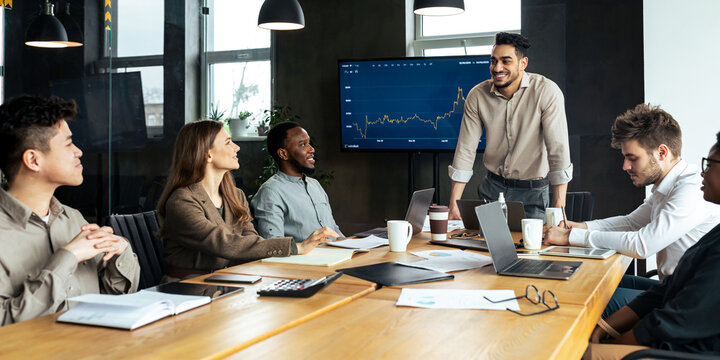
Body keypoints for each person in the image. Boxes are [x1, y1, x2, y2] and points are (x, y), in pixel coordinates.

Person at [545, 104, 720, 317]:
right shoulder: (666, 185)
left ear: (661, 152)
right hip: (669, 288)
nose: (625, 166)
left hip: (683, 301)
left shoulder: (690, 188)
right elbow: (631, 222)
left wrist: (572, 236)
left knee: (581, 297)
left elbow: (642, 245)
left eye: (632, 158)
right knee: (587, 280)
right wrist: (580, 226)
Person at [0, 95, 140, 326]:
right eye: (68, 144)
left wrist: (119, 253)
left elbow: (117, 299)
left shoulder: (74, 219)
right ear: (33, 160)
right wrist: (67, 258)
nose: (79, 152)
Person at [583, 131, 720, 359]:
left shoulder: (690, 188)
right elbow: (665, 290)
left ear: (661, 152)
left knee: (582, 345)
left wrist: (617, 342)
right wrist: (607, 328)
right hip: (669, 312)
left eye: (710, 164)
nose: (703, 172)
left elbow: (675, 320)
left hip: (681, 348)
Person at [157, 120, 338, 278]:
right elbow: (223, 242)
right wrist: (296, 247)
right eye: (228, 143)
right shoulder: (182, 200)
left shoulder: (236, 196)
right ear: (208, 154)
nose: (237, 147)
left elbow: (251, 240)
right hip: (188, 289)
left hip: (231, 281)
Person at [448, 32, 572, 221]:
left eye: (506, 61)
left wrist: (559, 208)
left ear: (523, 63)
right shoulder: (477, 96)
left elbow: (558, 151)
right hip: (492, 189)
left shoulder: (547, 92)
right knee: (484, 247)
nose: (497, 68)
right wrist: (454, 204)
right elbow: (465, 150)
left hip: (534, 193)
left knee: (531, 250)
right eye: (493, 61)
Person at [251, 122, 344, 243]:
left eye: (309, 143)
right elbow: (273, 244)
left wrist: (353, 247)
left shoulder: (315, 185)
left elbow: (334, 230)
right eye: (303, 144)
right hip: (306, 261)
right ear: (283, 154)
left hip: (337, 257)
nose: (311, 149)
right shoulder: (270, 192)